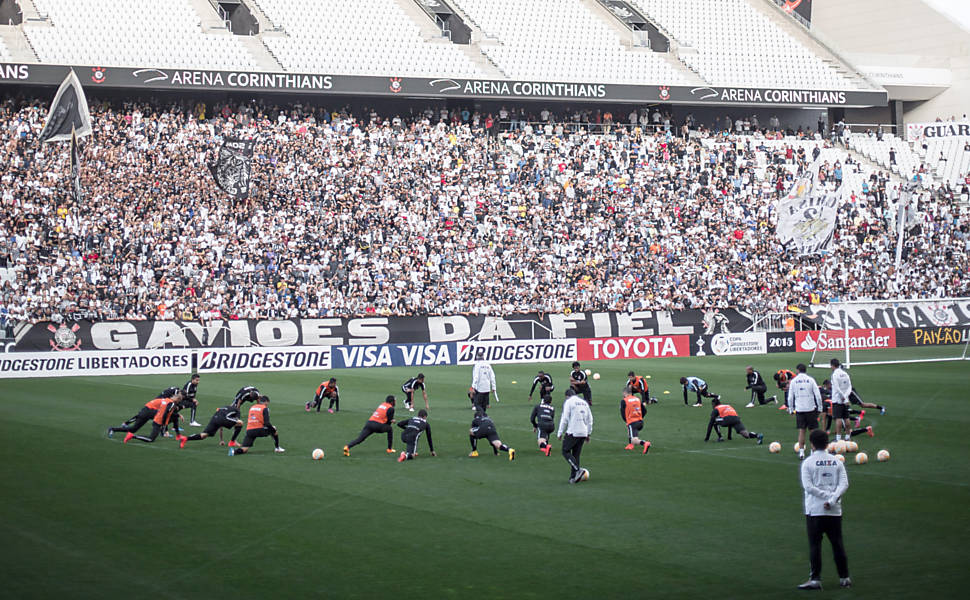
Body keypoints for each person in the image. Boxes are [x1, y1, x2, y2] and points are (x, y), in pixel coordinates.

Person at [798, 429, 852, 590]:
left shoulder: (808, 462)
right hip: (834, 510)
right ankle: (844, 578)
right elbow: (844, 484)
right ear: (827, 443)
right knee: (837, 544)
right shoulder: (837, 461)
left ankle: (815, 579)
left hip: (815, 510)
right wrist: (832, 499)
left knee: (815, 545)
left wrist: (825, 498)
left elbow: (808, 487)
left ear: (812, 444)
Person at [121, 391, 188, 445]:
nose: (179, 402)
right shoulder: (172, 404)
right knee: (151, 439)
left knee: (174, 419)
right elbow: (165, 413)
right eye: (179, 401)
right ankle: (132, 436)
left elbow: (165, 411)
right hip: (159, 422)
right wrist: (164, 424)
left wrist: (177, 415)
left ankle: (177, 435)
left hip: (157, 420)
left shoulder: (166, 400)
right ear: (177, 399)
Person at [788, 364, 823, 460]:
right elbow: (818, 395)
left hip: (799, 409)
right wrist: (820, 407)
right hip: (810, 408)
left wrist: (791, 409)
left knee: (802, 431)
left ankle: (801, 452)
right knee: (813, 432)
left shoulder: (794, 381)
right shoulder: (811, 380)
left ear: (797, 370)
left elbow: (790, 397)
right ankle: (813, 452)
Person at [558, 388, 593, 483]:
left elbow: (564, 418)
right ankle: (573, 477)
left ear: (567, 396)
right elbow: (590, 419)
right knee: (576, 455)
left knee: (565, 451)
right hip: (583, 432)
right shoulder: (584, 402)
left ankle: (578, 470)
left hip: (573, 431)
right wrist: (588, 433)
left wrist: (560, 432)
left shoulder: (569, 402)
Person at [180, 401, 245, 448]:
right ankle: (232, 442)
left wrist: (221, 440)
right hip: (222, 419)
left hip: (215, 418)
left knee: (204, 435)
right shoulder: (237, 411)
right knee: (241, 423)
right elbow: (235, 423)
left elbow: (221, 425)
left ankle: (186, 438)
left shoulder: (224, 407)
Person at [620, 386, 651, 454]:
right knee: (631, 432)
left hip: (632, 422)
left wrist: (627, 421)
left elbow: (622, 413)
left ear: (625, 393)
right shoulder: (637, 399)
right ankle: (630, 445)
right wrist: (639, 417)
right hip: (640, 422)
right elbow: (644, 411)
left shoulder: (624, 401)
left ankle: (645, 443)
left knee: (633, 439)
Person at [828, 359, 853, 442]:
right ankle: (847, 436)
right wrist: (846, 397)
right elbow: (850, 387)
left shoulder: (834, 374)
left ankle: (838, 438)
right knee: (846, 417)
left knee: (838, 418)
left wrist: (843, 396)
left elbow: (837, 387)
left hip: (837, 399)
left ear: (832, 365)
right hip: (845, 399)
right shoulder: (845, 373)